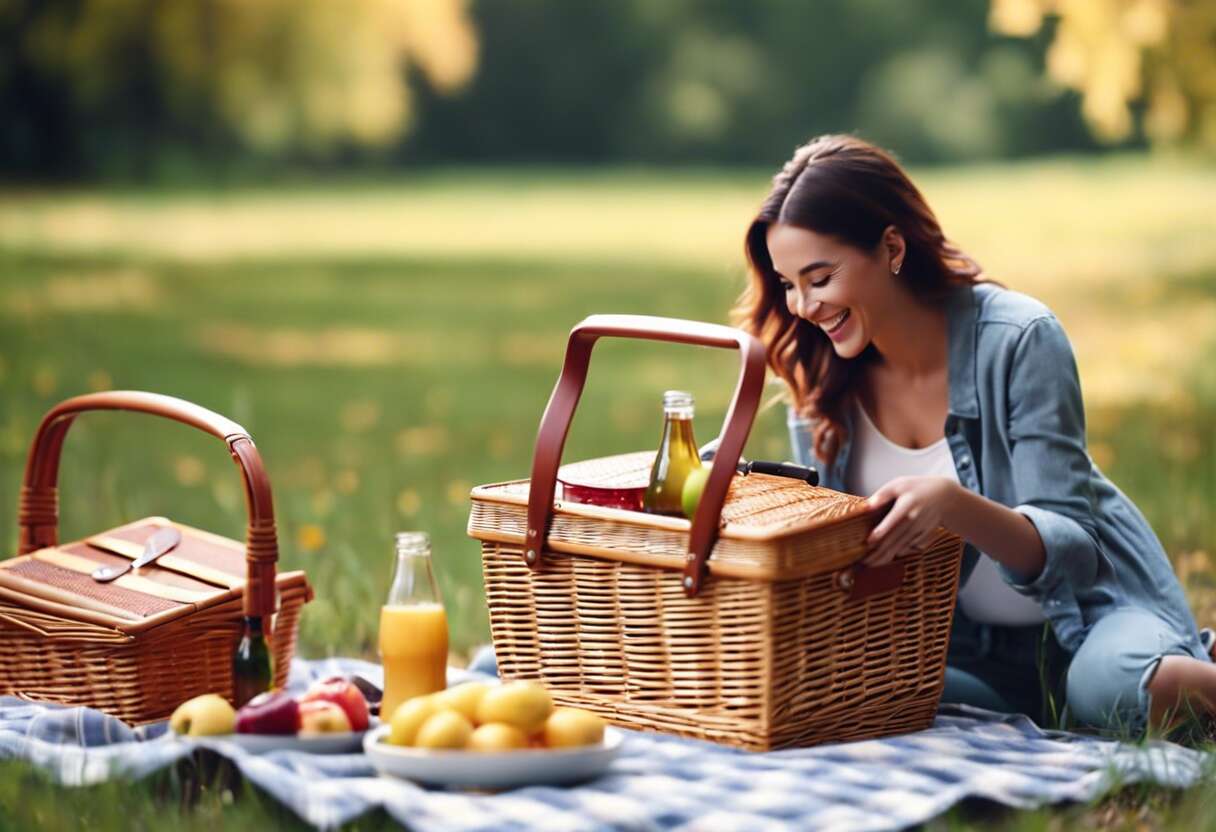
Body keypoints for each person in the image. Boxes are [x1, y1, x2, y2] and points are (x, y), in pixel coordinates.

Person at [734, 133, 1213, 736]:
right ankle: (1056, 706)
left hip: (1095, 615)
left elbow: (1071, 545)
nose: (802, 305)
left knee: (1104, 689)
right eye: (787, 284)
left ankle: (1173, 667)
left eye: (820, 277)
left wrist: (951, 507)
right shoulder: (821, 380)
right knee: (823, 686)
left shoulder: (1017, 338)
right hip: (958, 650)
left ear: (891, 247)